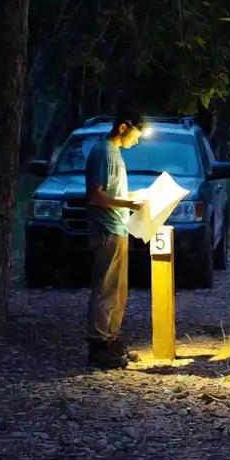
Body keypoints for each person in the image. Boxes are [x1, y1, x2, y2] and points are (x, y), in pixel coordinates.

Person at [84, 115, 146, 369]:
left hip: (118, 228)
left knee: (118, 290)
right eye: (136, 134)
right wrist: (129, 204)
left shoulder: (114, 152)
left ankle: (111, 339)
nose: (137, 140)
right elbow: (96, 195)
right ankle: (98, 345)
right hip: (106, 229)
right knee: (106, 287)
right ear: (123, 127)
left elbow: (111, 191)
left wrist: (131, 197)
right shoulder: (103, 152)